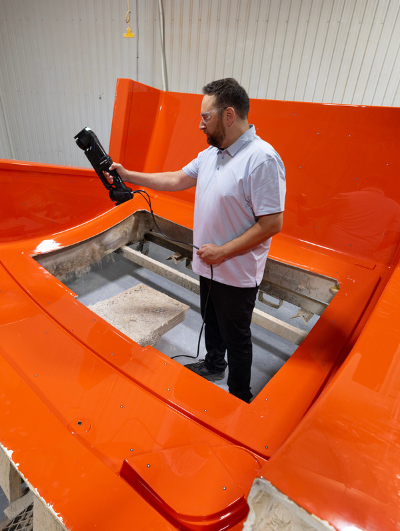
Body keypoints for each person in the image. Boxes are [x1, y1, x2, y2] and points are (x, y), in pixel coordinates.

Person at [107, 78, 285, 403]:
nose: (200, 124)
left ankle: (238, 395)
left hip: (235, 273)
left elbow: (272, 223)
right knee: (211, 322)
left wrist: (224, 251)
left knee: (237, 337)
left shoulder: (262, 159)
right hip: (209, 263)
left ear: (228, 115)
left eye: (206, 116)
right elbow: (176, 178)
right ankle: (214, 365)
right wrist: (128, 175)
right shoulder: (211, 154)